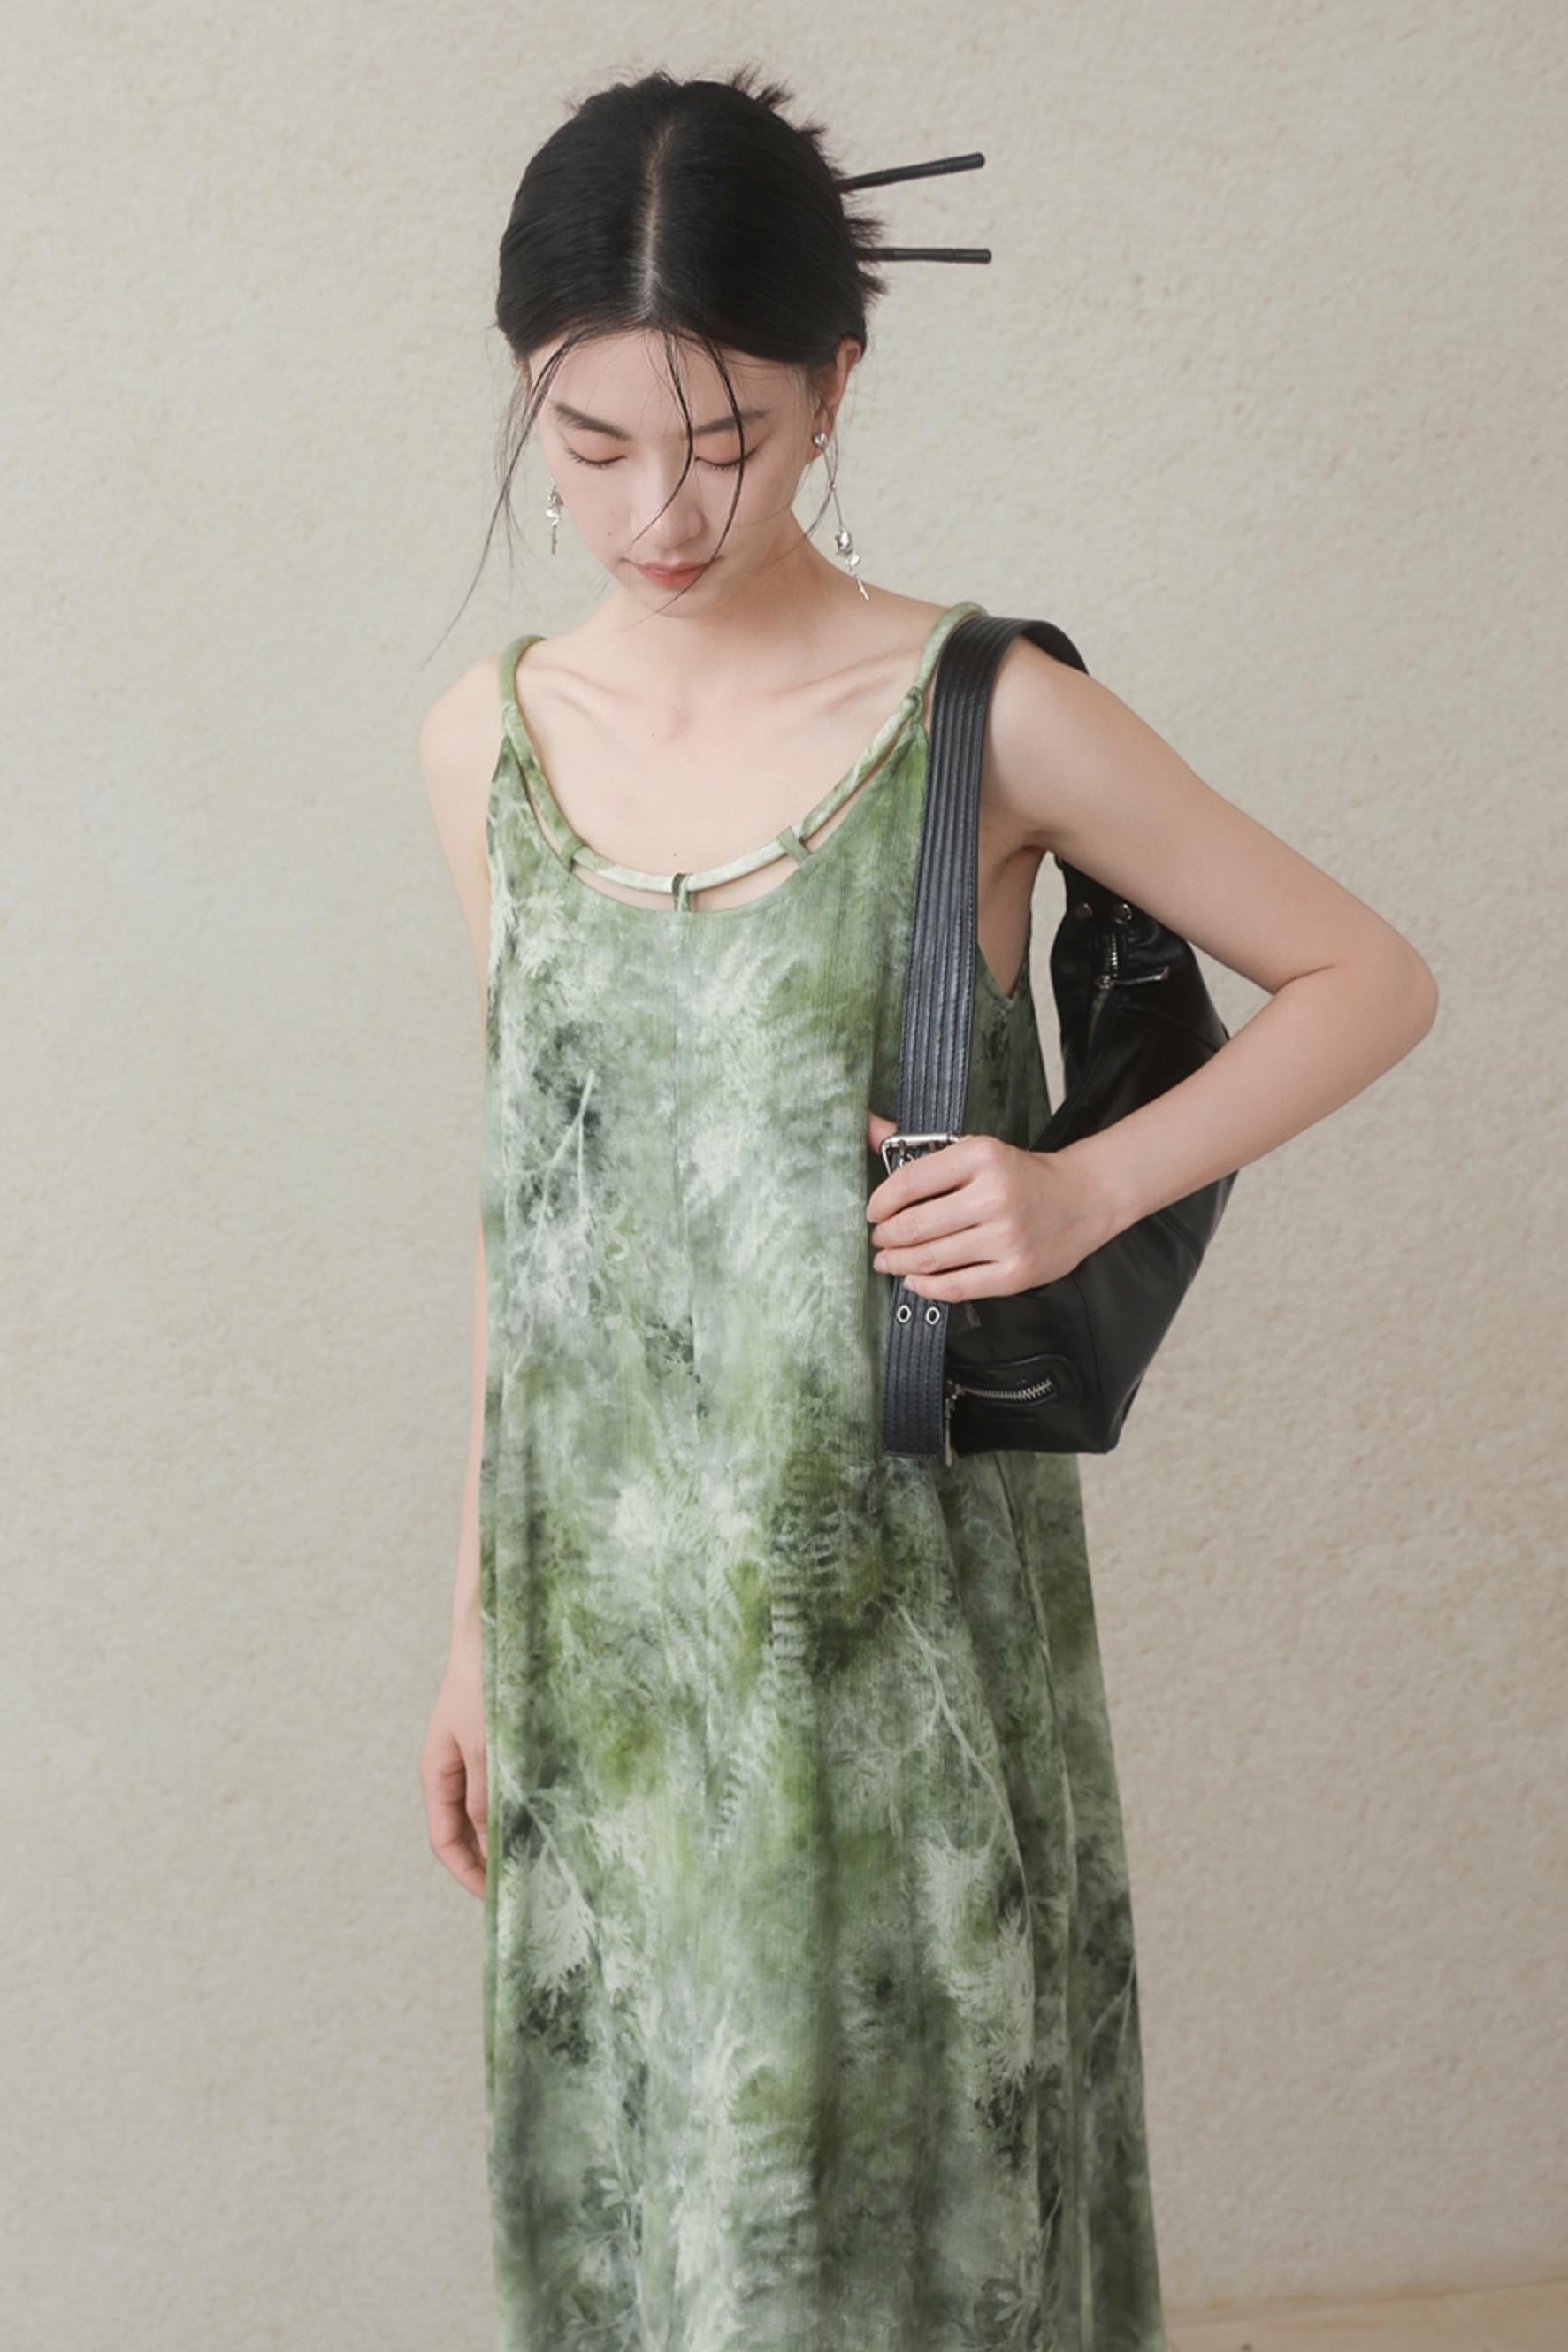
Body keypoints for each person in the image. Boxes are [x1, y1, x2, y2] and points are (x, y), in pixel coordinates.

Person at [416, 65, 1437, 2352]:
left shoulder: (984, 711)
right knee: (657, 2218)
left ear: (838, 381)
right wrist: (471, 1627)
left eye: (730, 437)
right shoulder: (485, 740)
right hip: (607, 1638)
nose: (662, 508)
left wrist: (1082, 1186)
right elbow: (526, 1213)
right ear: (528, 396)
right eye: (592, 442)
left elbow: (1370, 978)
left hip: (890, 1629)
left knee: (912, 2230)